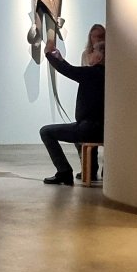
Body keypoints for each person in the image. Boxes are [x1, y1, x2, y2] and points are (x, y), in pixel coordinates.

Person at [39, 24, 105, 185]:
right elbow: (71, 69)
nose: (91, 54)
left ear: (100, 57)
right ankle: (88, 171)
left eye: (94, 52)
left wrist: (48, 54)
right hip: (101, 128)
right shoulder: (106, 74)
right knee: (75, 132)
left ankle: (64, 171)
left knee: (46, 132)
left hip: (89, 128)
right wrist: (60, 58)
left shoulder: (93, 73)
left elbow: (68, 71)